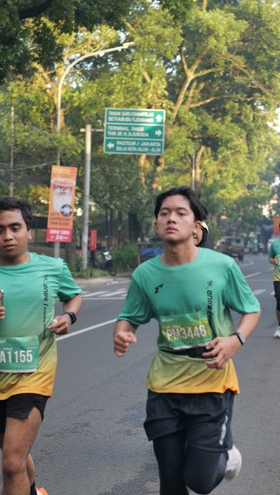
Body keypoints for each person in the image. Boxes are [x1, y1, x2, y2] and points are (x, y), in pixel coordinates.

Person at [113, 186, 261, 495]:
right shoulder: (145, 274)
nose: (171, 218)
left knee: (199, 481)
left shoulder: (221, 266)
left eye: (181, 213)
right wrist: (123, 331)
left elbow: (251, 309)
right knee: (170, 477)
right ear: (156, 223)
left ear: (196, 226)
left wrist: (235, 340)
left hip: (211, 382)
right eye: (164, 213)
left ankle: (226, 453)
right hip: (164, 385)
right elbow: (130, 316)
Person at [0, 197, 82, 495]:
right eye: (0, 230)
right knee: (16, 456)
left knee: (11, 462)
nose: (7, 236)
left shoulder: (52, 267)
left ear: (28, 230)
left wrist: (69, 316)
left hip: (33, 373)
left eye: (14, 227)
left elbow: (73, 296)